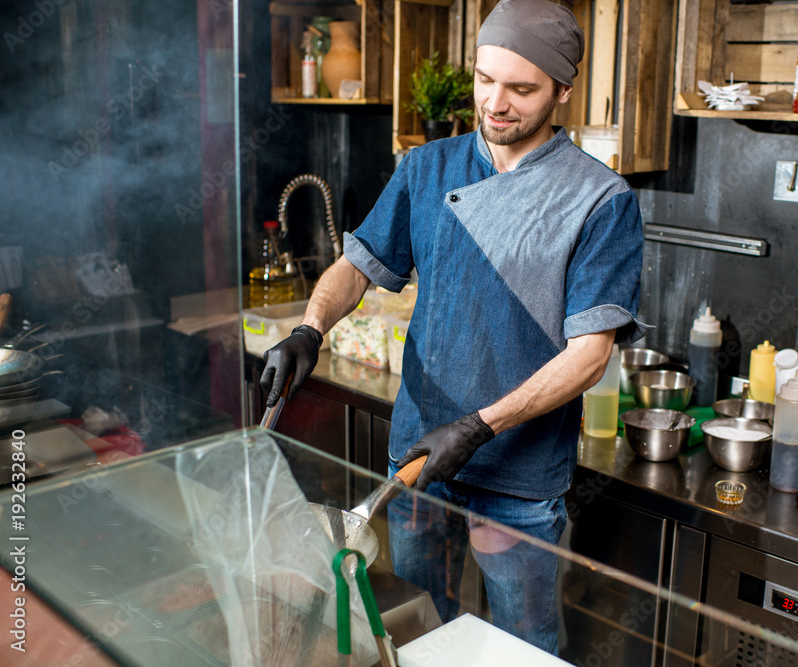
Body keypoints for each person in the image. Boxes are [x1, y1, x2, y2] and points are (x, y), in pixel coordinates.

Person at [260, 0, 648, 654]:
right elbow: (356, 267)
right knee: (412, 631)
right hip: (417, 459)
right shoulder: (426, 168)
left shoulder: (600, 200)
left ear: (563, 90)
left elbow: (589, 356)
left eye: (521, 89)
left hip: (519, 480)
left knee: (522, 647)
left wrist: (479, 426)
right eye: (484, 79)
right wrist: (311, 328)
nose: (495, 102)